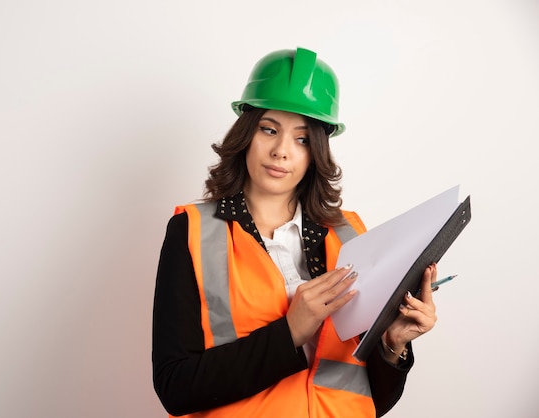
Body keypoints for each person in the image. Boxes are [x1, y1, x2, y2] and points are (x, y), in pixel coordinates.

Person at [151, 47, 438, 418]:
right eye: (269, 130)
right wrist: (290, 332)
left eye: (302, 139)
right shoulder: (191, 232)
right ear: (246, 134)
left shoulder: (350, 234)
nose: (281, 151)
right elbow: (175, 387)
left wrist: (392, 344)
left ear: (317, 150)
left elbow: (369, 401)